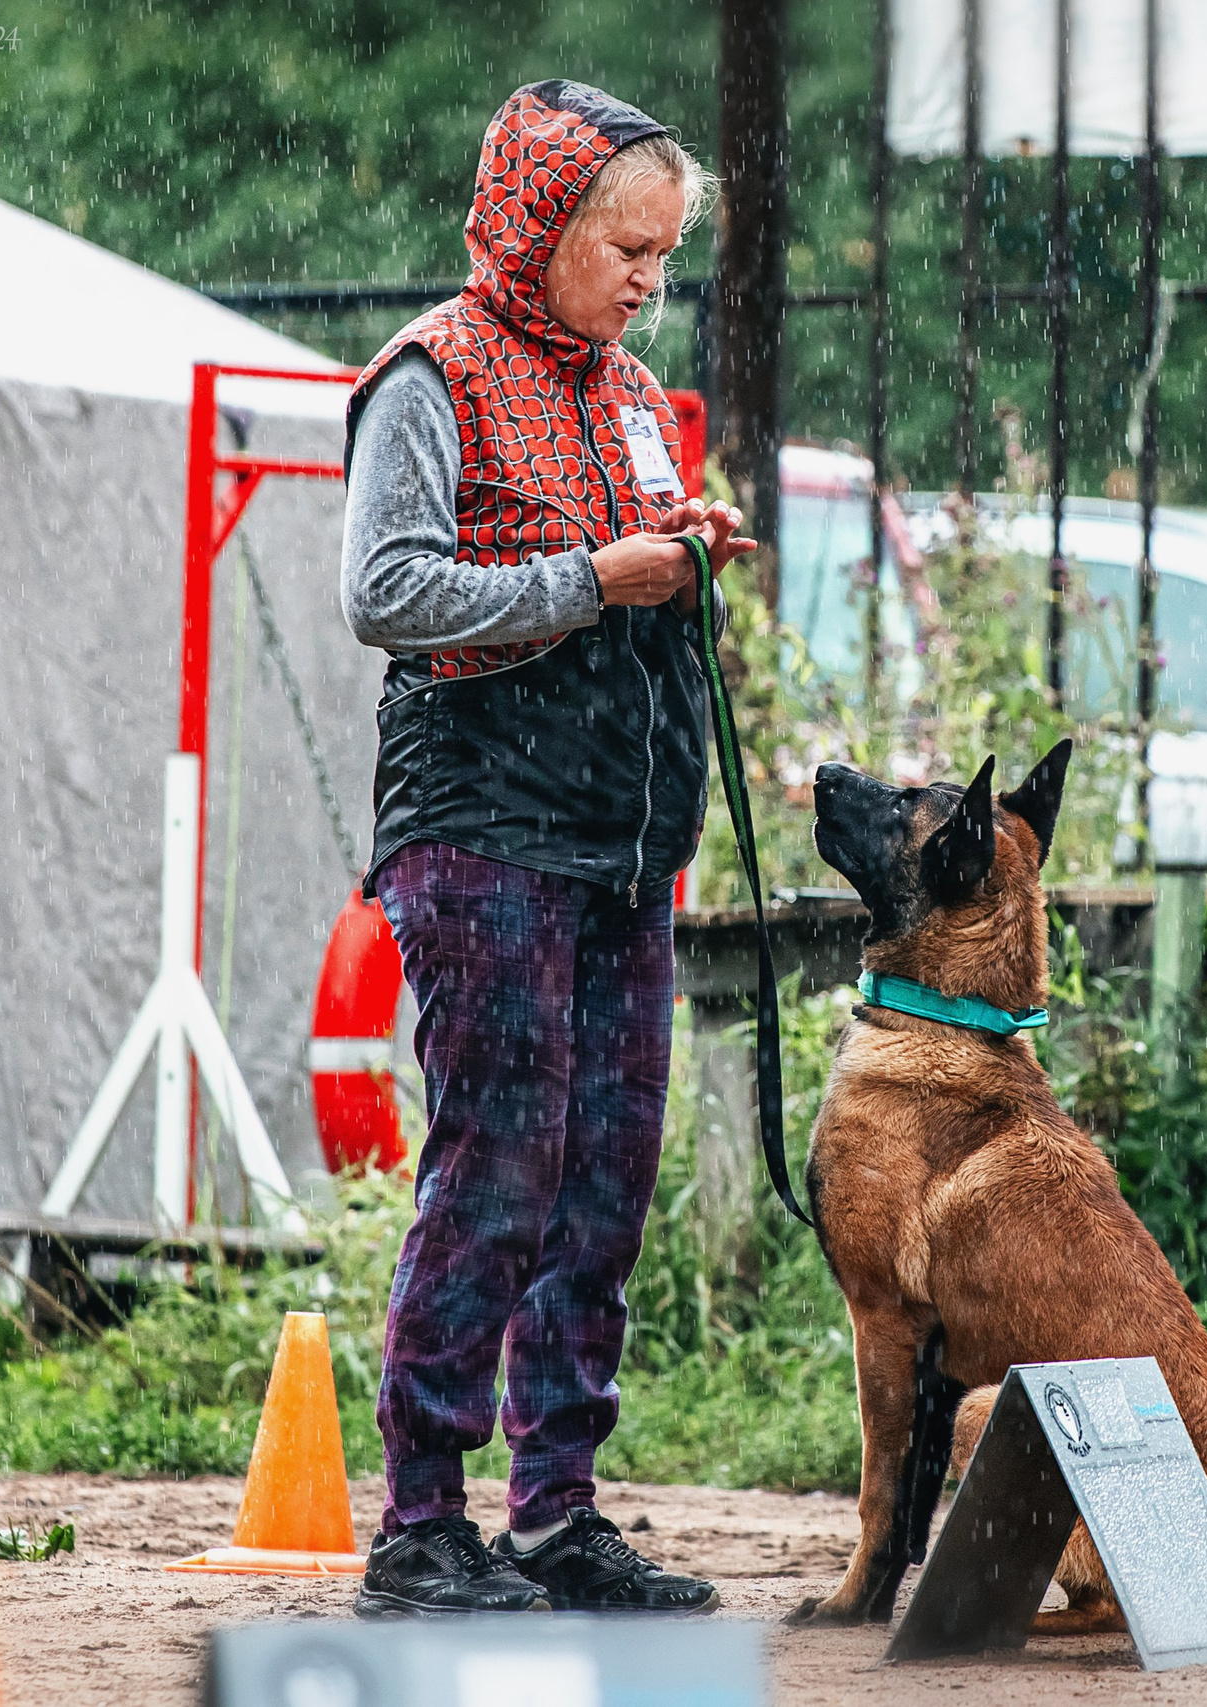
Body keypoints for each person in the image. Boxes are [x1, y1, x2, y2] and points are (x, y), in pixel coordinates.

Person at [336, 80, 754, 1618]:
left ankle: (561, 1512)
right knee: (499, 1165)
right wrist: (593, 580)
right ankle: (424, 1526)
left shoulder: (635, 395)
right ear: (536, 226)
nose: (650, 279)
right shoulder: (427, 380)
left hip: (619, 844)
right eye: (626, 248)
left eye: (664, 253)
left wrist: (688, 554)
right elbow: (385, 593)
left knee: (604, 1181)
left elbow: (627, 551)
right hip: (481, 827)